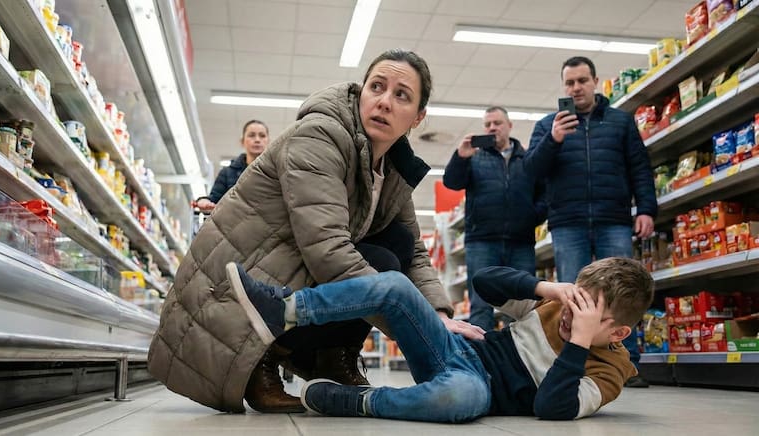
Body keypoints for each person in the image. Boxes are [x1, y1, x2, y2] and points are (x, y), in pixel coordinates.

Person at [147, 49, 485, 414]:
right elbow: (328, 252)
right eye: (377, 87)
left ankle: (331, 358)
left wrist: (438, 314)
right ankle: (265, 359)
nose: (385, 102)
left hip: (289, 275)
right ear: (361, 93)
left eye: (401, 95)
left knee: (397, 245)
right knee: (381, 263)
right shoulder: (320, 136)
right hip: (236, 288)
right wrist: (417, 325)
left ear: (418, 117)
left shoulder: (389, 167)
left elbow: (415, 250)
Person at [228, 256, 654, 422]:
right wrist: (545, 288)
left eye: (588, 315)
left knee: (460, 400)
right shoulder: (555, 305)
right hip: (454, 349)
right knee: (395, 284)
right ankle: (285, 310)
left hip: (475, 387)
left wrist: (578, 343)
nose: (571, 316)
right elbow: (484, 282)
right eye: (575, 301)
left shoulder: (609, 373)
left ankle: (354, 401)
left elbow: (551, 408)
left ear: (618, 332)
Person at [527, 56, 657, 388]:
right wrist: (553, 139)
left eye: (582, 81)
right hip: (567, 222)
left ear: (595, 82)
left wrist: (646, 209)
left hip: (613, 218)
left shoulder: (620, 122)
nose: (576, 88)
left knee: (625, 292)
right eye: (569, 83)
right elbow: (531, 172)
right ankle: (574, 364)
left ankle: (627, 364)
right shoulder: (547, 125)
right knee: (573, 295)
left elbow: (639, 167)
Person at [443, 106, 546, 331]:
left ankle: (518, 350)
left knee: (522, 303)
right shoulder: (474, 157)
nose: (492, 128)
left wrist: (532, 217)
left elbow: (544, 193)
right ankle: (481, 351)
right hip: (482, 241)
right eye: (487, 124)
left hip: (521, 242)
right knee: (481, 304)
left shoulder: (527, 158)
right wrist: (460, 157)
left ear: (509, 126)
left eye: (497, 123)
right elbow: (451, 182)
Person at [195, 120, 269, 212]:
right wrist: (204, 201)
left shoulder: (276, 172)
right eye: (251, 135)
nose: (257, 140)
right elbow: (214, 199)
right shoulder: (227, 173)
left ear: (268, 141)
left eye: (262, 136)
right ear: (242, 141)